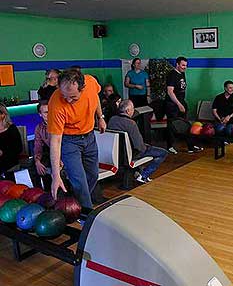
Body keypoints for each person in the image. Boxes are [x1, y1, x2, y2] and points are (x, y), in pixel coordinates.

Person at [48, 69, 106, 208]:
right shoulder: (55, 103)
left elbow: (96, 96)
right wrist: (55, 175)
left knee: (93, 175)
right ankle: (87, 214)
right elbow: (55, 141)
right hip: (69, 141)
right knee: (79, 181)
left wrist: (100, 117)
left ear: (82, 88)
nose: (68, 100)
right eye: (64, 95)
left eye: (73, 97)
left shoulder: (91, 82)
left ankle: (74, 204)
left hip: (89, 136)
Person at [108, 99, 168, 184]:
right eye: (132, 108)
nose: (133, 110)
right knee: (163, 153)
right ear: (128, 110)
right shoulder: (131, 124)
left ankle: (138, 172)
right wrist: (147, 147)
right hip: (131, 154)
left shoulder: (112, 120)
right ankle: (143, 175)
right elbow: (139, 146)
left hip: (116, 153)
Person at [164, 56, 203, 155]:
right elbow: (170, 92)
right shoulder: (172, 75)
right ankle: (170, 146)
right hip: (172, 104)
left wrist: (182, 103)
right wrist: (178, 104)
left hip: (181, 102)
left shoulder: (182, 74)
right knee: (172, 125)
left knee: (185, 125)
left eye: (186, 65)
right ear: (177, 64)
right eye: (182, 65)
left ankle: (190, 146)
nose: (184, 67)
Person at [32, 101, 52, 189]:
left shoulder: (62, 124)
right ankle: (39, 192)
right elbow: (38, 146)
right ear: (40, 114)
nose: (50, 114)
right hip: (49, 153)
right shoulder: (39, 128)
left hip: (64, 154)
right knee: (33, 164)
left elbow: (66, 145)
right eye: (46, 112)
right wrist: (37, 161)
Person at [0, 103, 22, 177]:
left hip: (10, 157)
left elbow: (19, 148)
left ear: (3, 115)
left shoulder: (12, 128)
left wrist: (2, 152)